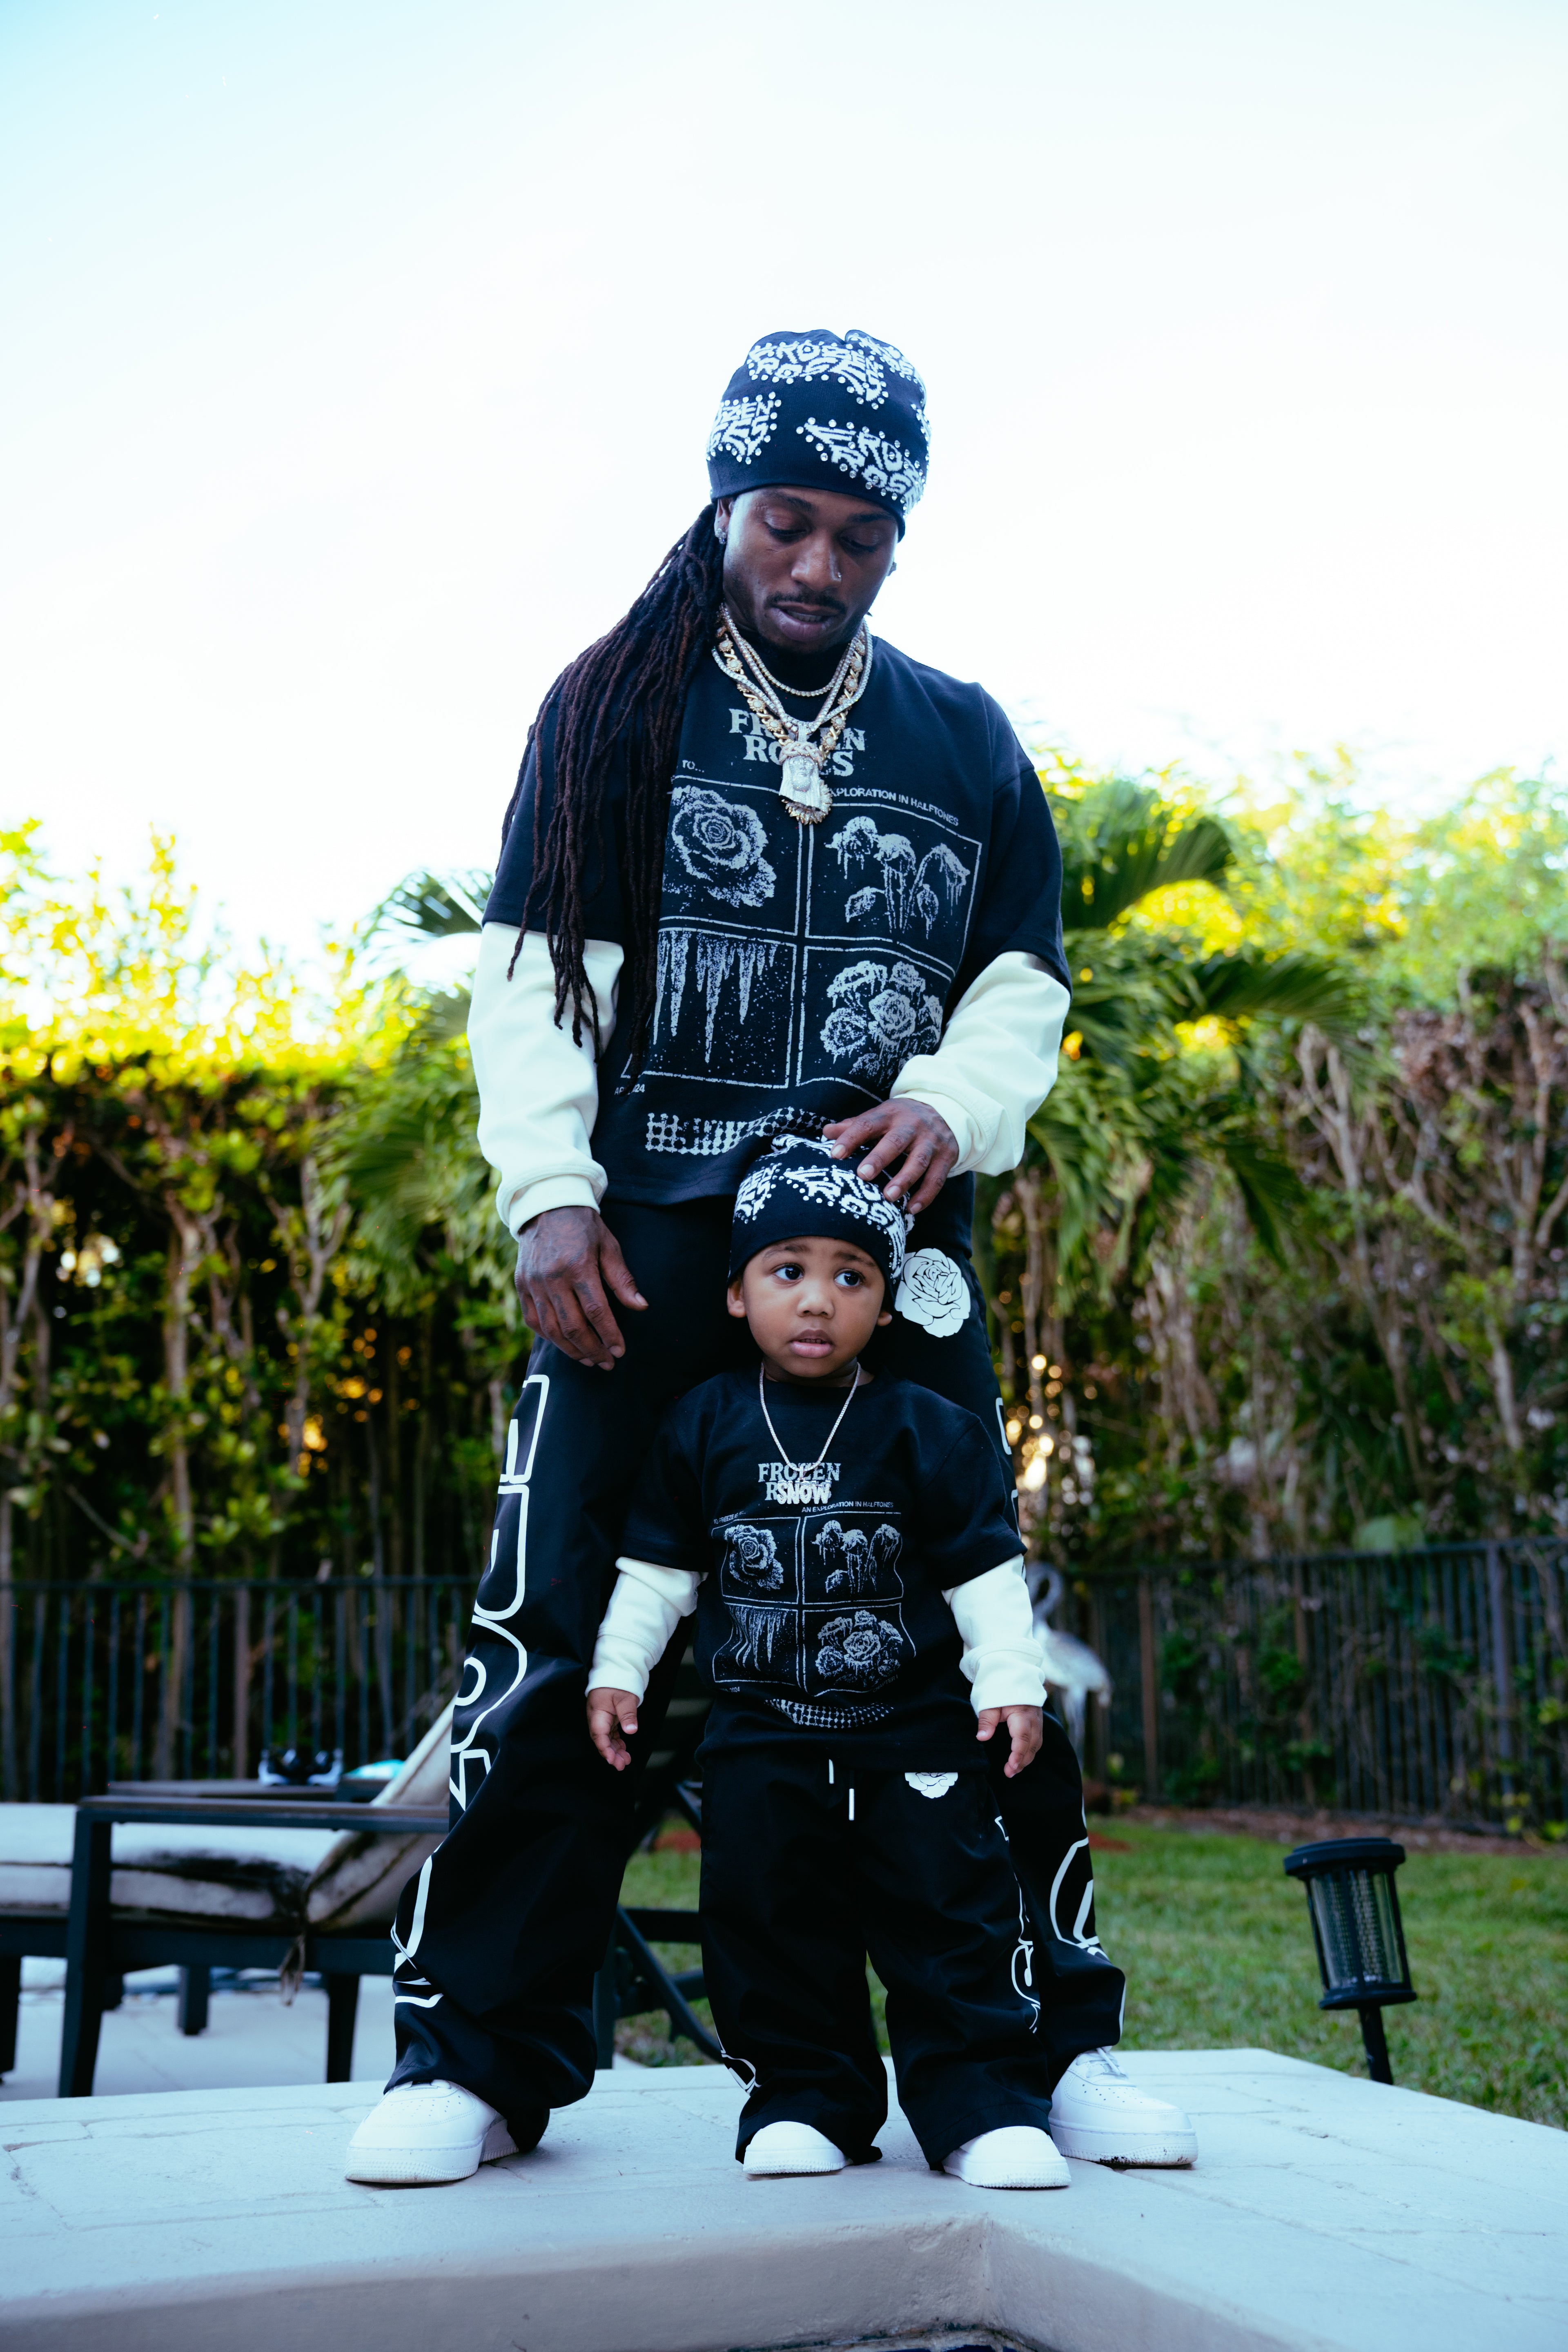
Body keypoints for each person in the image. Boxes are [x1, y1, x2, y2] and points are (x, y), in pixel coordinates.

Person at [346, 327, 1196, 2187]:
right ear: (725, 504)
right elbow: (533, 970)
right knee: (565, 1627)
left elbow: (1021, 975)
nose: (817, 563)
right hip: (646, 1254)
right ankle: (477, 2056)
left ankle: (1044, 2048)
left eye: (859, 535)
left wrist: (953, 1104)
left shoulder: (964, 737)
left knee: (972, 1620)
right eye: (784, 521)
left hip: (887, 1260)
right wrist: (546, 1193)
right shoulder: (612, 707)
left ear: (899, 540)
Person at [587, 1138, 1071, 2189]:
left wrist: (1011, 1683)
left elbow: (986, 1574)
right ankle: (805, 2099)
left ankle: (981, 2107)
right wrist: (616, 1672)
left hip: (916, 1737)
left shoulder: (928, 1429)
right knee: (769, 1923)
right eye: (788, 1270)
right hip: (761, 1741)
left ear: (886, 1307)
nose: (818, 1300)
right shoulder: (701, 1426)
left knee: (950, 1919)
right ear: (736, 1294)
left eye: (852, 1277)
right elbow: (658, 1574)